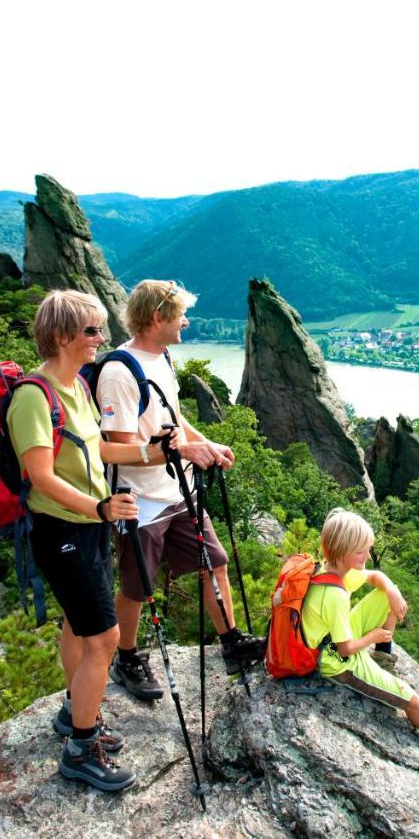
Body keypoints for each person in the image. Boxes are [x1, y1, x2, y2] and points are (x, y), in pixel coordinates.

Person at [7, 289, 152, 792]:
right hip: (62, 528)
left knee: (77, 623)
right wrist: (98, 507)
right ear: (63, 335)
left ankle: (76, 711)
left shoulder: (80, 389)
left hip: (89, 527)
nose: (100, 339)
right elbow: (41, 476)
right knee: (105, 639)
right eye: (91, 330)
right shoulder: (34, 396)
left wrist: (156, 451)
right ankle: (81, 750)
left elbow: (102, 448)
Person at [96, 279, 266, 701]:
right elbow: (114, 450)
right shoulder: (119, 372)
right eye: (180, 314)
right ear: (157, 317)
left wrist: (202, 444)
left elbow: (172, 419)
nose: (186, 322)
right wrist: (177, 452)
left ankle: (231, 644)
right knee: (137, 587)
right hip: (142, 502)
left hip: (179, 491)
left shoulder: (162, 356)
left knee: (215, 563)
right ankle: (128, 657)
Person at [302, 508, 419, 767]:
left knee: (385, 593)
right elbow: (345, 649)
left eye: (368, 548)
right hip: (336, 662)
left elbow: (376, 576)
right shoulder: (334, 596)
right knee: (411, 701)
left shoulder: (331, 569)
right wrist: (373, 636)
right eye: (361, 551)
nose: (368, 555)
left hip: (331, 639)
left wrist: (391, 589)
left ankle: (382, 657)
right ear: (342, 551)